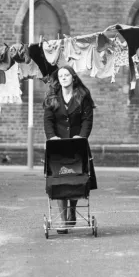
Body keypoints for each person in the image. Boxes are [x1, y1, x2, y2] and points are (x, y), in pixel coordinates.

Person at [43, 65, 96, 233]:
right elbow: (48, 120)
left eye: (67, 75)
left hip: (77, 144)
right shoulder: (52, 97)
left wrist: (82, 136)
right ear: (58, 80)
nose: (64, 78)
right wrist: (52, 137)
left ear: (73, 77)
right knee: (58, 179)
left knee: (75, 178)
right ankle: (63, 221)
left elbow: (87, 119)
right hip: (58, 146)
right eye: (61, 76)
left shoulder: (83, 96)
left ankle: (72, 211)